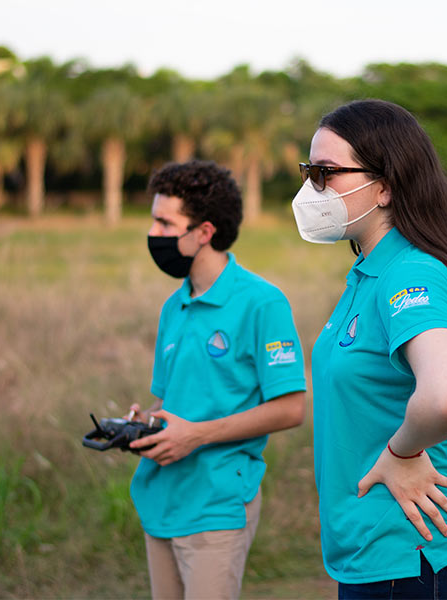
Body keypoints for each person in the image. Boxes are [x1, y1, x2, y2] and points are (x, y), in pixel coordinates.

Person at [291, 99, 447, 599]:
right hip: (372, 553)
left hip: (407, 551)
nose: (313, 188)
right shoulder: (369, 271)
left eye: (327, 173)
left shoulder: (410, 273)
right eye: (309, 171)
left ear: (385, 187)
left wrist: (403, 452)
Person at [127, 160, 307, 600]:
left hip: (217, 506)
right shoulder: (175, 306)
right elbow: (172, 402)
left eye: (164, 222)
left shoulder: (262, 303)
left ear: (204, 232)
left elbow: (291, 408)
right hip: (162, 502)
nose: (153, 233)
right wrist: (142, 422)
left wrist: (197, 437)